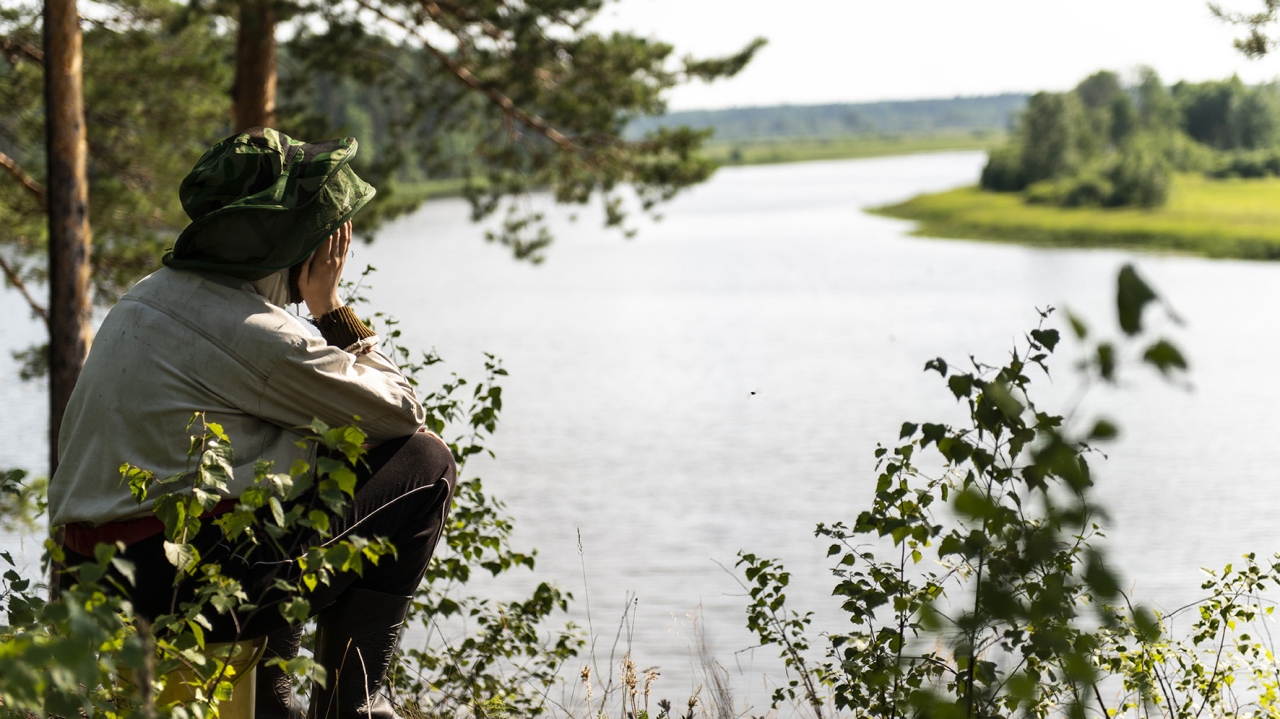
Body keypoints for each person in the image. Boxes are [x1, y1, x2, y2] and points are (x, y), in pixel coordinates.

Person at [47, 127, 456, 719]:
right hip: (177, 586)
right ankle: (354, 704)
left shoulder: (145, 296)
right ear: (291, 240)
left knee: (298, 449)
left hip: (93, 580)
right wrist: (330, 309)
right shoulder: (254, 332)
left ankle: (270, 699)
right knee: (425, 464)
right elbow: (399, 414)